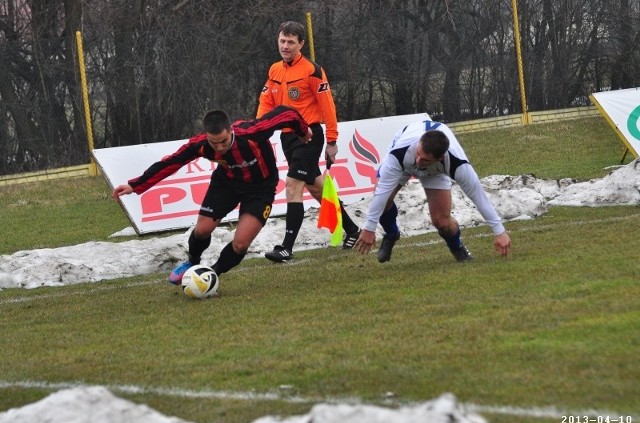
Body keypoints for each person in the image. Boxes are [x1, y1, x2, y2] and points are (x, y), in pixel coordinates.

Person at [112, 106, 312, 285]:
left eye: (223, 141)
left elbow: (287, 113)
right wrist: (135, 185)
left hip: (261, 189)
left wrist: (303, 131)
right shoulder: (200, 144)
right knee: (202, 230)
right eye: (213, 142)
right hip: (226, 184)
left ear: (231, 130)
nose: (219, 147)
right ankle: (192, 262)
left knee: (241, 243)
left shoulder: (252, 132)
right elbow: (171, 162)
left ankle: (209, 275)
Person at [257, 20, 360, 262]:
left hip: (310, 136)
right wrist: (259, 128)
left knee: (293, 185)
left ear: (301, 44)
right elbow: (266, 102)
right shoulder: (274, 70)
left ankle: (286, 248)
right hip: (287, 138)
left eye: (291, 42)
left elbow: (328, 107)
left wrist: (332, 141)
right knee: (318, 189)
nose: (285, 46)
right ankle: (353, 230)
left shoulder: (312, 70)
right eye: (282, 41)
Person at [353, 119, 511, 263]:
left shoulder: (457, 163)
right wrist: (369, 228)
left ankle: (457, 249)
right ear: (418, 145)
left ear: (440, 158)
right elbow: (382, 192)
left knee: (441, 221)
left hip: (435, 171)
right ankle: (392, 233)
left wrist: (500, 231)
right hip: (403, 163)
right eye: (419, 154)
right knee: (383, 201)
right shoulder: (401, 152)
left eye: (425, 159)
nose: (418, 161)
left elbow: (478, 196)